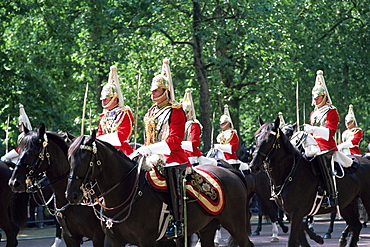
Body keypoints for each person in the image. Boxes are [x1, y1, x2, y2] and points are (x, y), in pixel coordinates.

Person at [132, 58, 189, 239]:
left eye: (156, 90)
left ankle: (177, 221)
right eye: (151, 90)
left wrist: (150, 150)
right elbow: (148, 137)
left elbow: (174, 139)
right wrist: (143, 150)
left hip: (172, 155)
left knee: (171, 172)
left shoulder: (176, 110)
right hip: (151, 154)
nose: (152, 93)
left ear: (166, 91)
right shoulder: (151, 111)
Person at [304, 70, 339, 208]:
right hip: (313, 145)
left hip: (326, 146)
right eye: (314, 98)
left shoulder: (331, 111)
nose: (315, 101)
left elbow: (330, 132)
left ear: (324, 97)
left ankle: (331, 195)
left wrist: (312, 129)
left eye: (318, 98)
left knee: (321, 161)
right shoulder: (313, 113)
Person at [97, 65, 134, 156]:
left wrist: (100, 140)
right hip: (104, 150)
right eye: (102, 99)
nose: (103, 101)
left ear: (114, 99)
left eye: (106, 99)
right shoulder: (104, 116)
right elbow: (99, 134)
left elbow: (121, 136)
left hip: (121, 152)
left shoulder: (124, 113)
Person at [181, 88, 203, 165]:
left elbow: (194, 143)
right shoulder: (179, 124)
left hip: (191, 154)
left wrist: (179, 144)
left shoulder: (194, 125)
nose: (185, 115)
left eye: (187, 112)